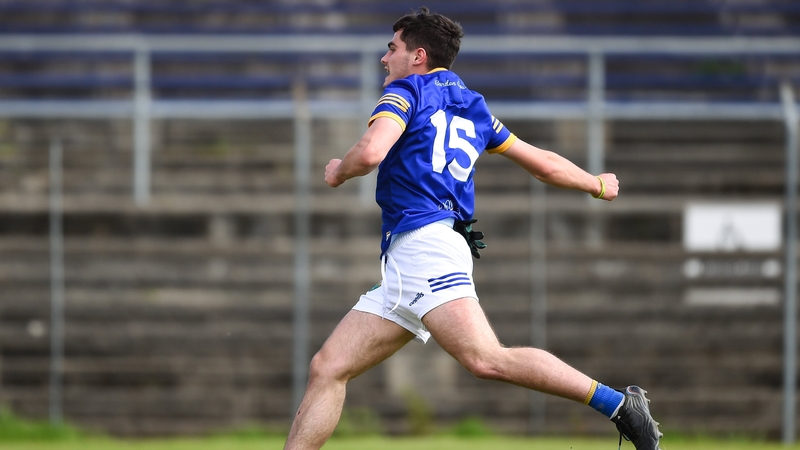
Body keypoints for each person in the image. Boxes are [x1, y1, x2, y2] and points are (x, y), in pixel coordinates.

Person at [283, 7, 662, 450]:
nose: (385, 59)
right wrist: (595, 183)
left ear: (418, 55)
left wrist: (337, 171)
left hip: (425, 247)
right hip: (416, 256)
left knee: (486, 359)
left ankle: (619, 405)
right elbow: (541, 163)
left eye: (393, 48)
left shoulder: (406, 92)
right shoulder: (473, 105)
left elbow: (370, 154)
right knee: (328, 367)